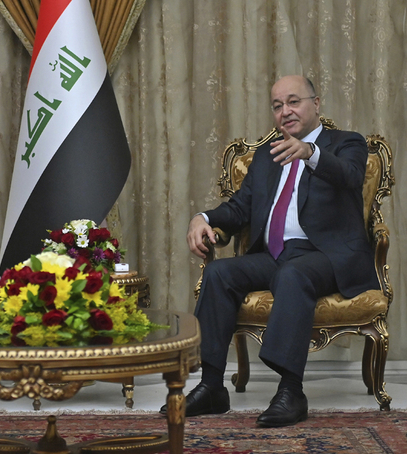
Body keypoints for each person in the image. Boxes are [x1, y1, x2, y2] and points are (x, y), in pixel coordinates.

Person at [161, 75, 378, 427]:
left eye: (293, 101)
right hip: (276, 254)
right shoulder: (267, 155)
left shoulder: (345, 143)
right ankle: (212, 385)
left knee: (294, 274)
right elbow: (240, 209)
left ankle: (291, 391)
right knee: (219, 273)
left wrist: (310, 153)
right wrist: (201, 218)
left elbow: (351, 176)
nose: (285, 111)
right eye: (277, 105)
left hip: (327, 255)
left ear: (316, 103)